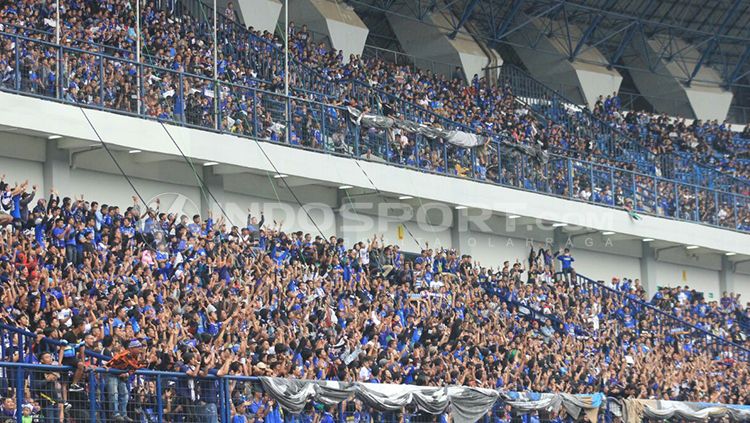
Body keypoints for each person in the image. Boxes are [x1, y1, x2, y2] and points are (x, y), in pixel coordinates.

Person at [104, 339, 146, 422]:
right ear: (131, 348)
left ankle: (123, 414)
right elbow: (115, 359)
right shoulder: (125, 353)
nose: (140, 350)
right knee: (114, 394)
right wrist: (106, 365)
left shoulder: (135, 357)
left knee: (125, 395)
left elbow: (134, 368)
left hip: (120, 375)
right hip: (112, 373)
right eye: (138, 348)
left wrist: (127, 374)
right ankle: (115, 414)